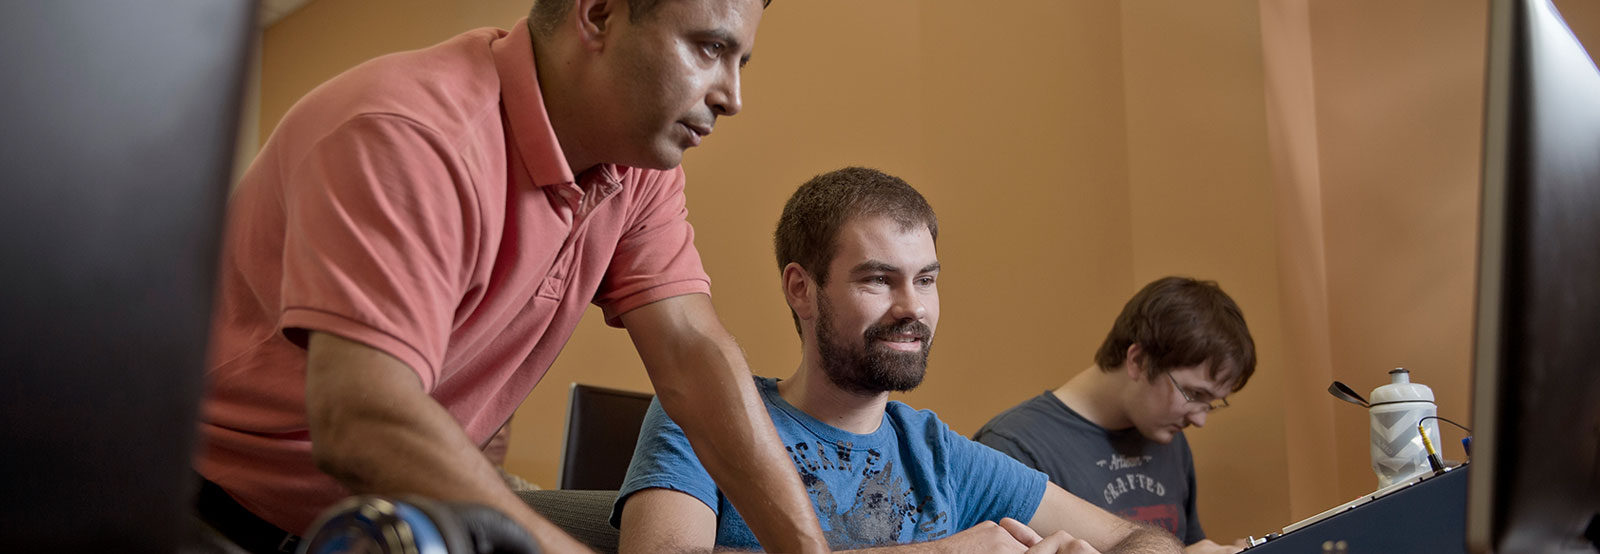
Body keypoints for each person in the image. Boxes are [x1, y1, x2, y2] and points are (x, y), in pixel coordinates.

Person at [194, 1, 832, 553]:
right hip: (209, 514)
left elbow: (694, 355)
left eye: (740, 61)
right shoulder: (410, 137)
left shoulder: (637, 168)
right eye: (710, 47)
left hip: (393, 519)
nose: (731, 96)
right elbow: (362, 421)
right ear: (599, 14)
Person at [613, 167, 1183, 553]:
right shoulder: (703, 414)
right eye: (879, 280)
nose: (913, 308)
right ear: (801, 290)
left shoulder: (939, 452)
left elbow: (1136, 539)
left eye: (926, 279)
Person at [973, 277, 1257, 554]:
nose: (1199, 419)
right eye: (1194, 395)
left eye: (1211, 403)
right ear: (1138, 360)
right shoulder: (1012, 446)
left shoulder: (1167, 435)